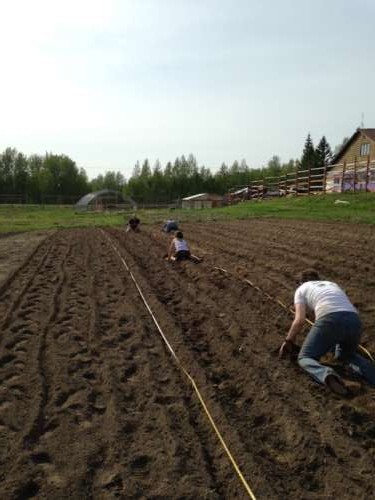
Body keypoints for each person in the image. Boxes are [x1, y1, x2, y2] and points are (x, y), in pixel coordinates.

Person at [279, 269, 375, 395]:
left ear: (301, 282)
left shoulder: (301, 289)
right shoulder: (332, 284)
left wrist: (288, 341)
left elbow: (299, 320)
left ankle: (327, 375)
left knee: (305, 357)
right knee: (347, 355)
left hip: (329, 320)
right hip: (354, 320)